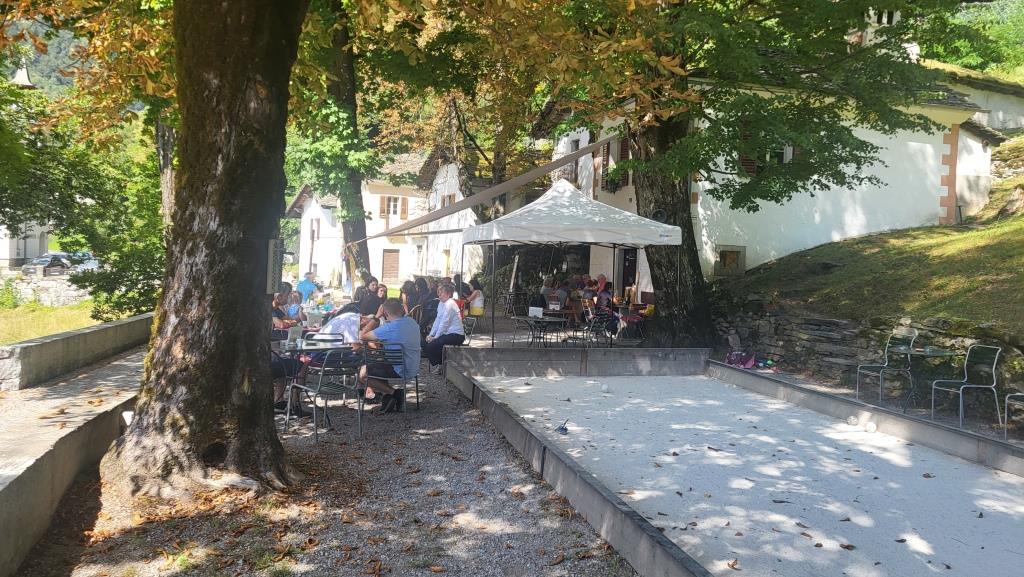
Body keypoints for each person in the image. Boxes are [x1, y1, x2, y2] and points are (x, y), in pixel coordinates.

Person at [359, 298, 421, 413]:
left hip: (399, 370)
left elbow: (362, 336)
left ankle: (394, 393)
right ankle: (389, 396)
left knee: (363, 373)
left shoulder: (388, 329)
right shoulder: (412, 322)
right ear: (402, 310)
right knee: (378, 363)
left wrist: (376, 317)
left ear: (385, 313)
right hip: (414, 367)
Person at [425, 283, 465, 373]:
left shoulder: (450, 304)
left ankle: (441, 365)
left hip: (456, 335)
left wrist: (435, 337)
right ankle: (440, 364)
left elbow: (444, 323)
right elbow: (438, 320)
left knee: (433, 345)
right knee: (427, 343)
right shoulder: (441, 303)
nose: (439, 294)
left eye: (441, 292)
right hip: (446, 333)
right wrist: (431, 334)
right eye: (438, 292)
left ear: (448, 294)